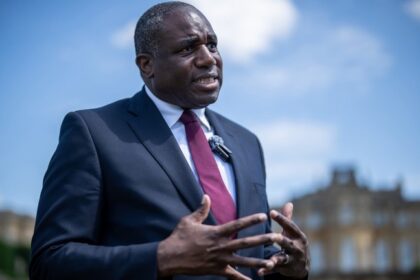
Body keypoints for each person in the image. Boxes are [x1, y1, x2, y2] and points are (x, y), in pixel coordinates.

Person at [30, 2, 309, 279]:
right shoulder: (94, 132)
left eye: (212, 45)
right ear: (147, 64)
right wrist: (161, 258)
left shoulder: (247, 143)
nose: (208, 58)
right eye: (188, 49)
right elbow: (49, 261)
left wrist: (291, 270)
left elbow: (250, 261)